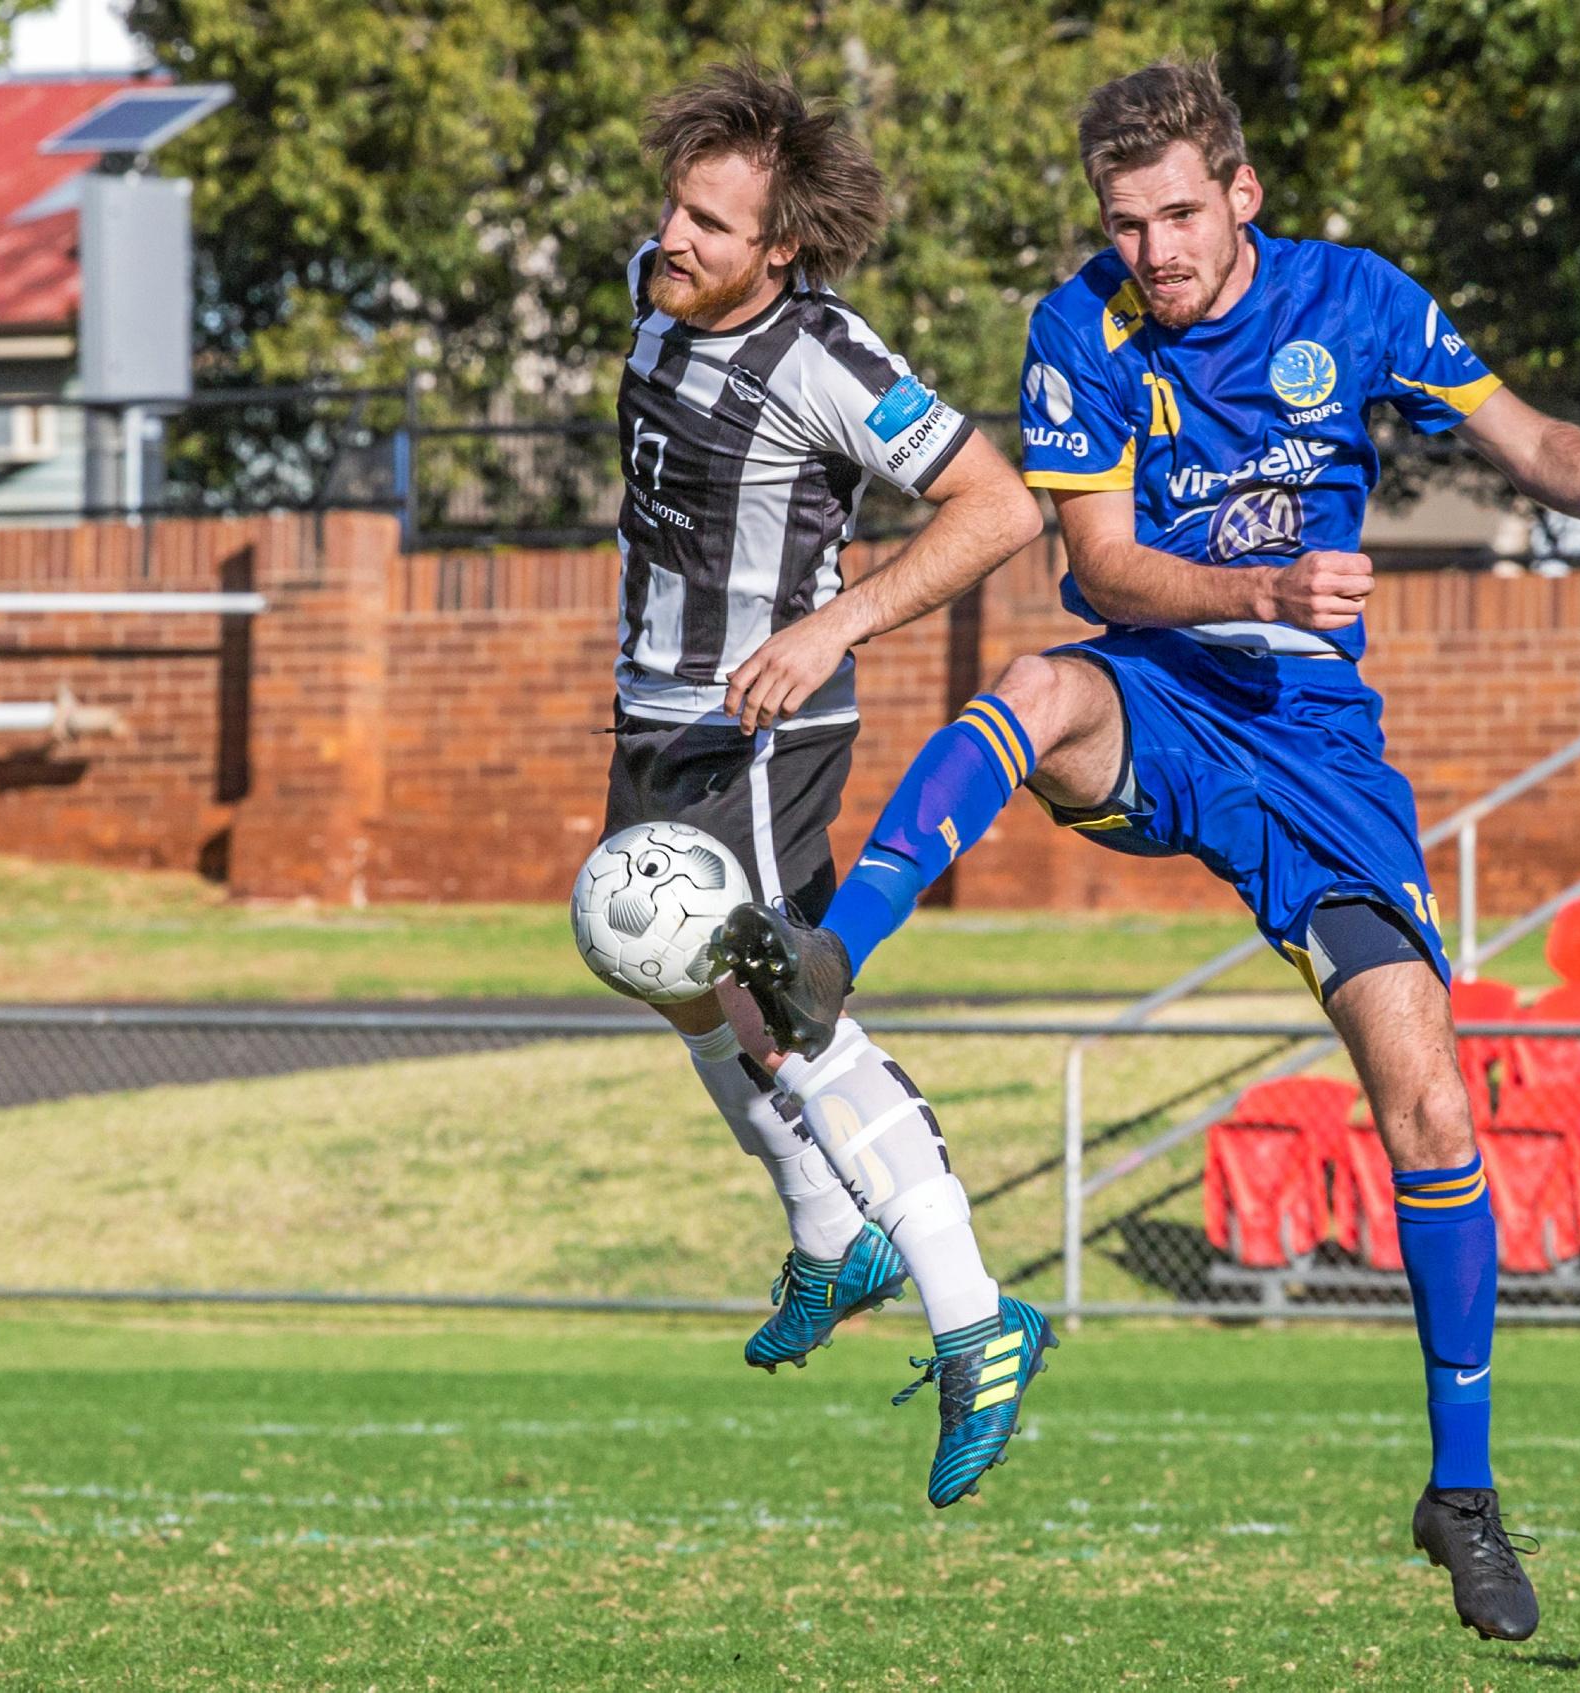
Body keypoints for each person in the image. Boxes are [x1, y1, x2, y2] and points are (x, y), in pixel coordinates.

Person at [718, 56, 1580, 1638]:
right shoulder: (1081, 327)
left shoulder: (1357, 302)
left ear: (1241, 196)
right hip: (1161, 693)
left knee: (1425, 1101)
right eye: (1126, 224)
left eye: (1180, 215)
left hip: (1320, 757)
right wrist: (1258, 593)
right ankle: (830, 955)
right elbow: (1108, 565)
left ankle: (1458, 1492)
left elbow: (1531, 442)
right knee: (1037, 685)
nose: (1154, 251)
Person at [596, 62, 1057, 1506]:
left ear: (778, 249)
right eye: (675, 208)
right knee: (668, 979)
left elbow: (1001, 506)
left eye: (712, 227)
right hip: (653, 713)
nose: (675, 239)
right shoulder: (654, 284)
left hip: (759, 735)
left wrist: (832, 622)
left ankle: (977, 1317)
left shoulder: (829, 360)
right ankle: (825, 1228)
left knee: (790, 1012)